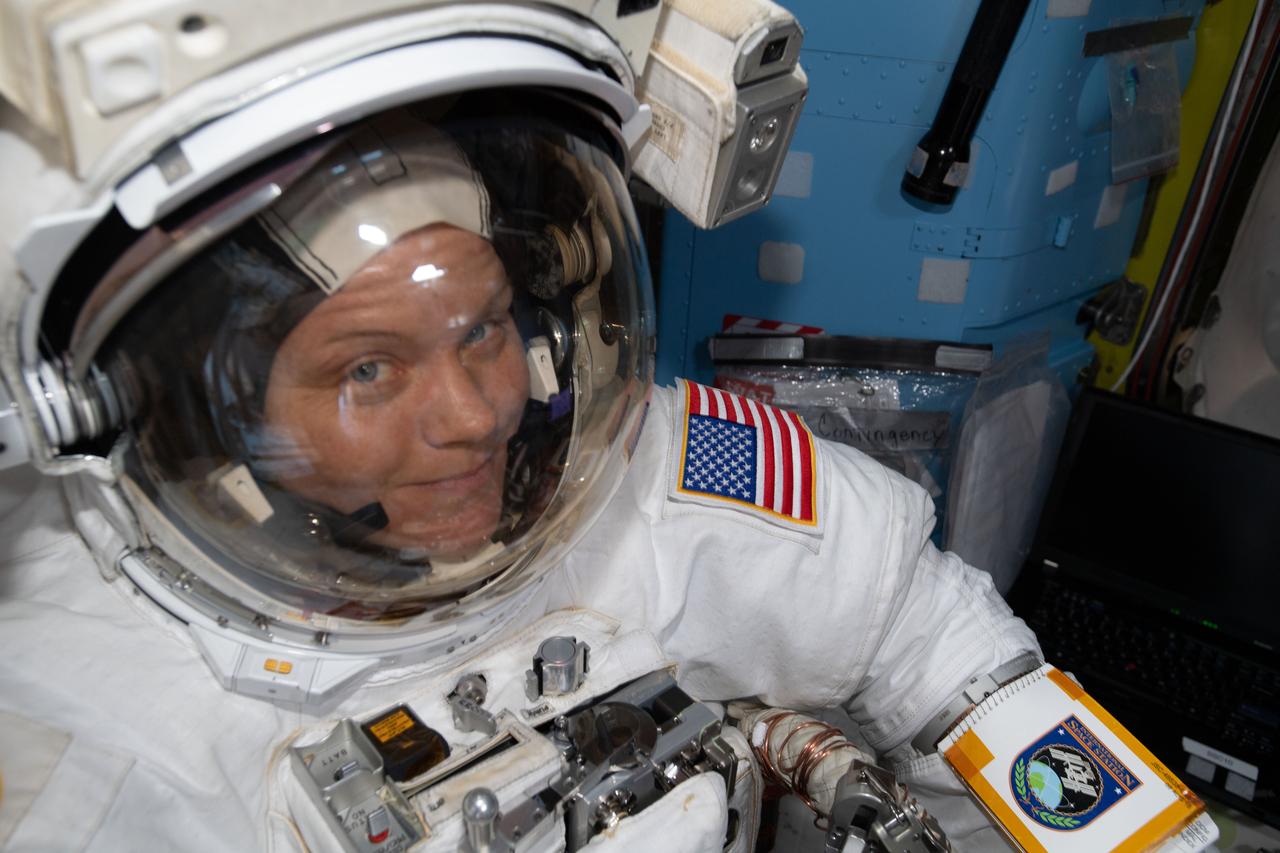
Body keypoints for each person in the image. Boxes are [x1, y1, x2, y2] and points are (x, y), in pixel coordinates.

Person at [0, 7, 1039, 851]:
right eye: (368, 368)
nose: (477, 413)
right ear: (202, 422)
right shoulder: (96, 728)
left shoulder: (636, 487)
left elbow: (926, 634)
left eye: (484, 327)